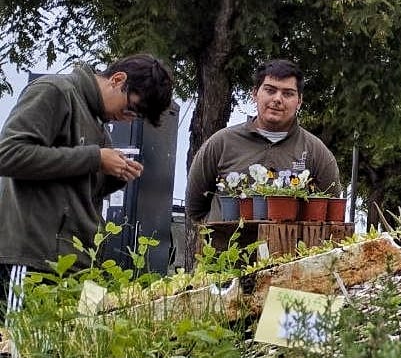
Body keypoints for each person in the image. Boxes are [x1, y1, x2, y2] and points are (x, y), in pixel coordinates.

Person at [0, 54, 175, 297]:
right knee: (20, 336)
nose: (127, 119)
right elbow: (9, 155)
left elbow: (73, 190)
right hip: (33, 260)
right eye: (131, 108)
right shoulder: (55, 91)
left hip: (75, 265)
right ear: (117, 79)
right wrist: (95, 158)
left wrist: (115, 176)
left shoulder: (98, 125)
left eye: (135, 117)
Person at [185, 59, 340, 221]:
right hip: (229, 245)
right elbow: (195, 209)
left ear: (299, 101)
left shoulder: (316, 152)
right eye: (270, 90)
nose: (277, 99)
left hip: (290, 246)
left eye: (288, 93)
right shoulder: (221, 143)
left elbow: (331, 214)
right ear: (255, 94)